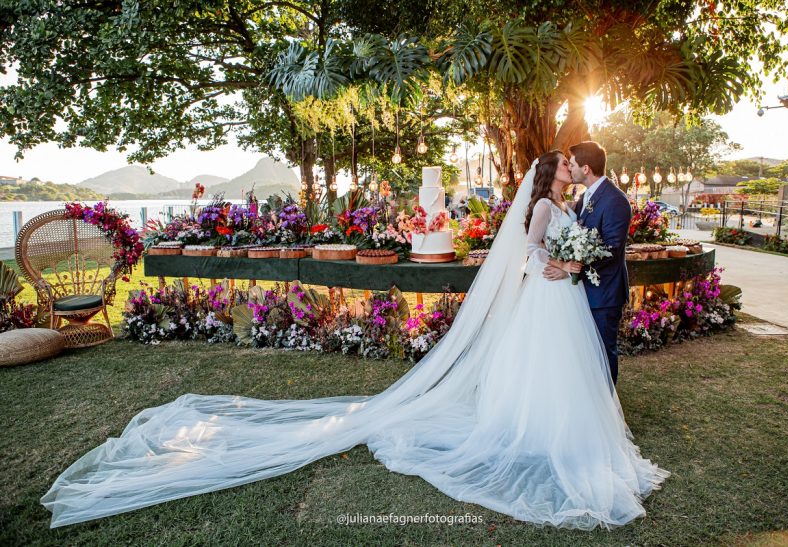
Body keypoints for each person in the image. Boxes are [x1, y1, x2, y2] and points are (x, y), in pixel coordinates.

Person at [42, 151, 668, 530]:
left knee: (560, 372)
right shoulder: (540, 207)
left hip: (562, 298)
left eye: (568, 165)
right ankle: (533, 431)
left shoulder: (576, 204)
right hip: (548, 296)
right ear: (551, 175)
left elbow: (564, 250)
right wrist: (557, 266)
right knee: (542, 372)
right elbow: (531, 255)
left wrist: (570, 264)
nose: (569, 168)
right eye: (562, 165)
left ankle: (562, 430)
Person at [543, 141, 631, 384]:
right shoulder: (585, 197)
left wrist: (572, 272)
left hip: (605, 292)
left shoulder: (615, 200)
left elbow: (611, 250)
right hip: (583, 291)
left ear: (586, 168)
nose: (570, 169)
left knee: (603, 351)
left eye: (572, 164)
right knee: (586, 353)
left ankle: (607, 408)